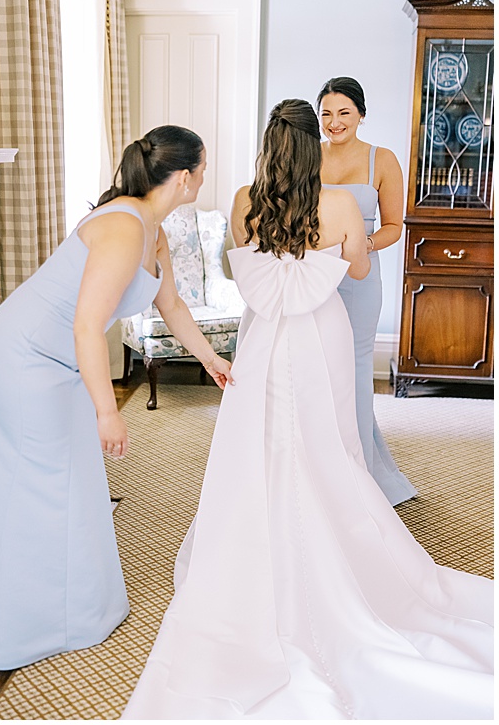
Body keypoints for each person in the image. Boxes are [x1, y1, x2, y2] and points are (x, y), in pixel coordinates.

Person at [123, 100, 493, 719]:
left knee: (261, 441)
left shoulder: (244, 201)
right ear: (312, 146)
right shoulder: (343, 205)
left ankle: (254, 544)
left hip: (265, 334)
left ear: (270, 148)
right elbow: (359, 264)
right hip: (320, 332)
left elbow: (243, 265)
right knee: (329, 442)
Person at [0, 127, 235, 671]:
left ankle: (59, 609)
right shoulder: (123, 227)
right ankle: (34, 623)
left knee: (70, 479)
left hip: (56, 356)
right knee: (43, 483)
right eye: (203, 170)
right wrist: (106, 411)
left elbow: (173, 307)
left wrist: (213, 360)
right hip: (27, 356)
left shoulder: (152, 231)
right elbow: (89, 325)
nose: (204, 178)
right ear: (184, 177)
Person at [317, 76, 416, 506]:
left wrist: (359, 246)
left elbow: (395, 225)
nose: (334, 122)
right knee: (317, 365)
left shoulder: (383, 160)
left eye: (343, 113)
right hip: (314, 274)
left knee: (355, 372)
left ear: (360, 114)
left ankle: (362, 476)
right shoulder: (308, 156)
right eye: (325, 114)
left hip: (359, 277)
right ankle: (320, 467)